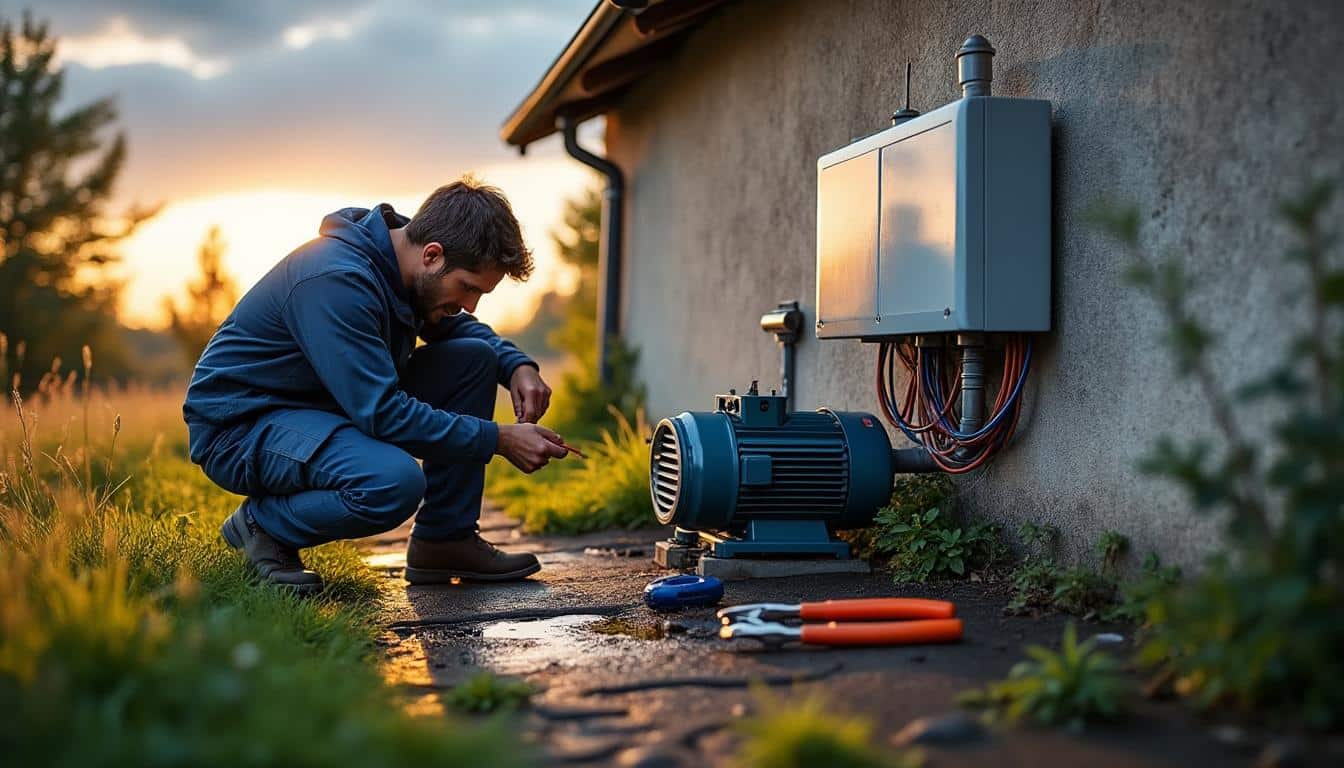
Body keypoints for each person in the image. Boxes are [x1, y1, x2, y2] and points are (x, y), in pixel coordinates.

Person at [183, 178, 570, 594]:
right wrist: (500, 438)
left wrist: (515, 366)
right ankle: (263, 527)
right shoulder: (336, 280)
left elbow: (460, 328)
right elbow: (383, 414)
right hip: (243, 425)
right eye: (469, 288)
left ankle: (445, 541)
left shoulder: (404, 267)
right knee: (392, 482)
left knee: (475, 359)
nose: (471, 304)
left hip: (319, 405)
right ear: (432, 256)